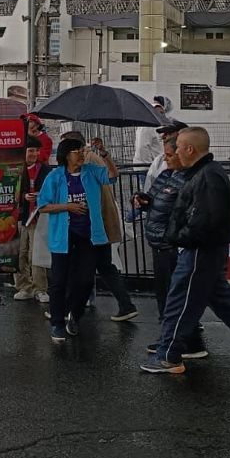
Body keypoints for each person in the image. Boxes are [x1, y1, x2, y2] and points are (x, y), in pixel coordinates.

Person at [142, 127, 230, 374]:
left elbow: (204, 221)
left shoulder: (206, 177)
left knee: (180, 301)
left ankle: (169, 356)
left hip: (200, 249)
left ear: (190, 149)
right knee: (223, 301)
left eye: (178, 148)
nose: (175, 152)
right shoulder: (205, 173)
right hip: (205, 249)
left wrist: (178, 237)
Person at [132, 126, 206, 359]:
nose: (166, 159)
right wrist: (144, 201)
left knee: (179, 296)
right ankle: (170, 337)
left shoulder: (191, 179)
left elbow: (191, 212)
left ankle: (187, 341)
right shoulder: (166, 174)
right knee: (165, 294)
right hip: (158, 241)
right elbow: (155, 198)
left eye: (171, 154)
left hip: (173, 244)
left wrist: (178, 236)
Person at [37, 137, 118, 343]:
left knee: (84, 280)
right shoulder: (55, 177)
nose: (81, 154)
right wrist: (67, 207)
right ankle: (57, 322)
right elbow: (43, 205)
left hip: (89, 235)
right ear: (66, 155)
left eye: (82, 150)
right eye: (77, 151)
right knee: (59, 281)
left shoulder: (91, 171)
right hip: (63, 236)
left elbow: (111, 176)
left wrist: (104, 154)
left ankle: (75, 313)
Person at [59, 131, 139, 322]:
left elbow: (109, 178)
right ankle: (124, 305)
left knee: (83, 267)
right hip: (97, 221)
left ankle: (69, 308)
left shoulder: (88, 161)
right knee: (103, 266)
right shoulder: (85, 160)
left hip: (95, 221)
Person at [12, 136, 50, 304]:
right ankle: (23, 286)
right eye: (30, 150)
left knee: (37, 255)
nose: (34, 154)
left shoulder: (46, 170)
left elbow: (51, 192)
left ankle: (40, 288)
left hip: (39, 217)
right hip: (20, 217)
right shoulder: (15, 170)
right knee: (19, 254)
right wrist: (22, 196)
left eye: (36, 150)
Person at [133, 96, 173, 165]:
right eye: (158, 112)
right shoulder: (147, 126)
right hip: (146, 168)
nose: (161, 115)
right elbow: (142, 148)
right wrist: (148, 166)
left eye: (162, 112)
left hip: (155, 166)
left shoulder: (157, 126)